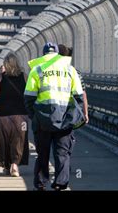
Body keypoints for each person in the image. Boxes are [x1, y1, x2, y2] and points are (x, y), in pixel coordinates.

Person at [25, 42, 85, 191]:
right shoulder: (70, 70)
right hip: (65, 118)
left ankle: (40, 183)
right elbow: (78, 96)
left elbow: (28, 98)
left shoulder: (37, 70)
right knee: (62, 153)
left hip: (43, 119)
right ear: (58, 54)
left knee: (42, 153)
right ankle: (60, 183)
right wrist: (73, 116)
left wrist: (35, 117)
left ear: (44, 54)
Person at [0, 53, 29, 177]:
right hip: (21, 112)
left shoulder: (0, 76)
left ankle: (6, 166)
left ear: (6, 64)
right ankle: (14, 165)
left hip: (4, 112)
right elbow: (29, 93)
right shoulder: (24, 76)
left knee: (5, 138)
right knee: (19, 138)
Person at [58, 44, 89, 124]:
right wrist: (85, 113)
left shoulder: (45, 71)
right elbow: (82, 94)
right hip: (67, 114)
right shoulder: (75, 72)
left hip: (49, 113)